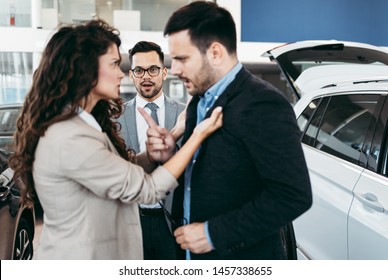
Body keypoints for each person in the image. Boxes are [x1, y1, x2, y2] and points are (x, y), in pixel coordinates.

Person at [8, 19, 222, 260]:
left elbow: (122, 169)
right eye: (114, 64)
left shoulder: (85, 126)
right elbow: (148, 189)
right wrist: (197, 133)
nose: (122, 75)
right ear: (86, 70)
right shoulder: (70, 138)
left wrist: (153, 153)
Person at [146, 1, 312, 260]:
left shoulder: (264, 104)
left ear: (215, 53)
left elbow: (293, 195)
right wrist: (170, 155)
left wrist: (213, 234)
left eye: (182, 59)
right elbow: (203, 173)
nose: (174, 69)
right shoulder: (197, 102)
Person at [118, 41, 185, 260]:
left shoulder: (185, 115)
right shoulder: (114, 117)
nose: (146, 76)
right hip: (131, 221)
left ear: (164, 72)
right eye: (139, 70)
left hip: (173, 222)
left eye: (153, 69)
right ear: (131, 74)